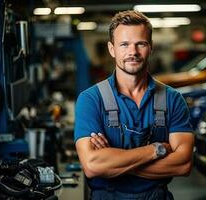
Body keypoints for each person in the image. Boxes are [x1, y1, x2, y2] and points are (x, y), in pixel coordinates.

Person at [74, 10, 194, 200]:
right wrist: (156, 150)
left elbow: (183, 165)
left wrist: (113, 163)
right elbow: (92, 166)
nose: (133, 52)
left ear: (151, 47)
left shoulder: (172, 99)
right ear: (111, 49)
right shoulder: (90, 99)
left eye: (141, 44)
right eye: (124, 44)